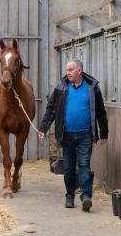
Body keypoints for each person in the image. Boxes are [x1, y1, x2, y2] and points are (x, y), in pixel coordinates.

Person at [38, 60, 108, 212]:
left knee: (84, 164)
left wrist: (104, 133)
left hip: (85, 135)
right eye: (67, 70)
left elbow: (101, 111)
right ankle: (69, 195)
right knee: (69, 167)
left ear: (79, 71)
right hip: (66, 134)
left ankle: (86, 197)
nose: (67, 73)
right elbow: (51, 109)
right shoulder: (61, 87)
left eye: (71, 70)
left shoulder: (92, 88)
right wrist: (43, 128)